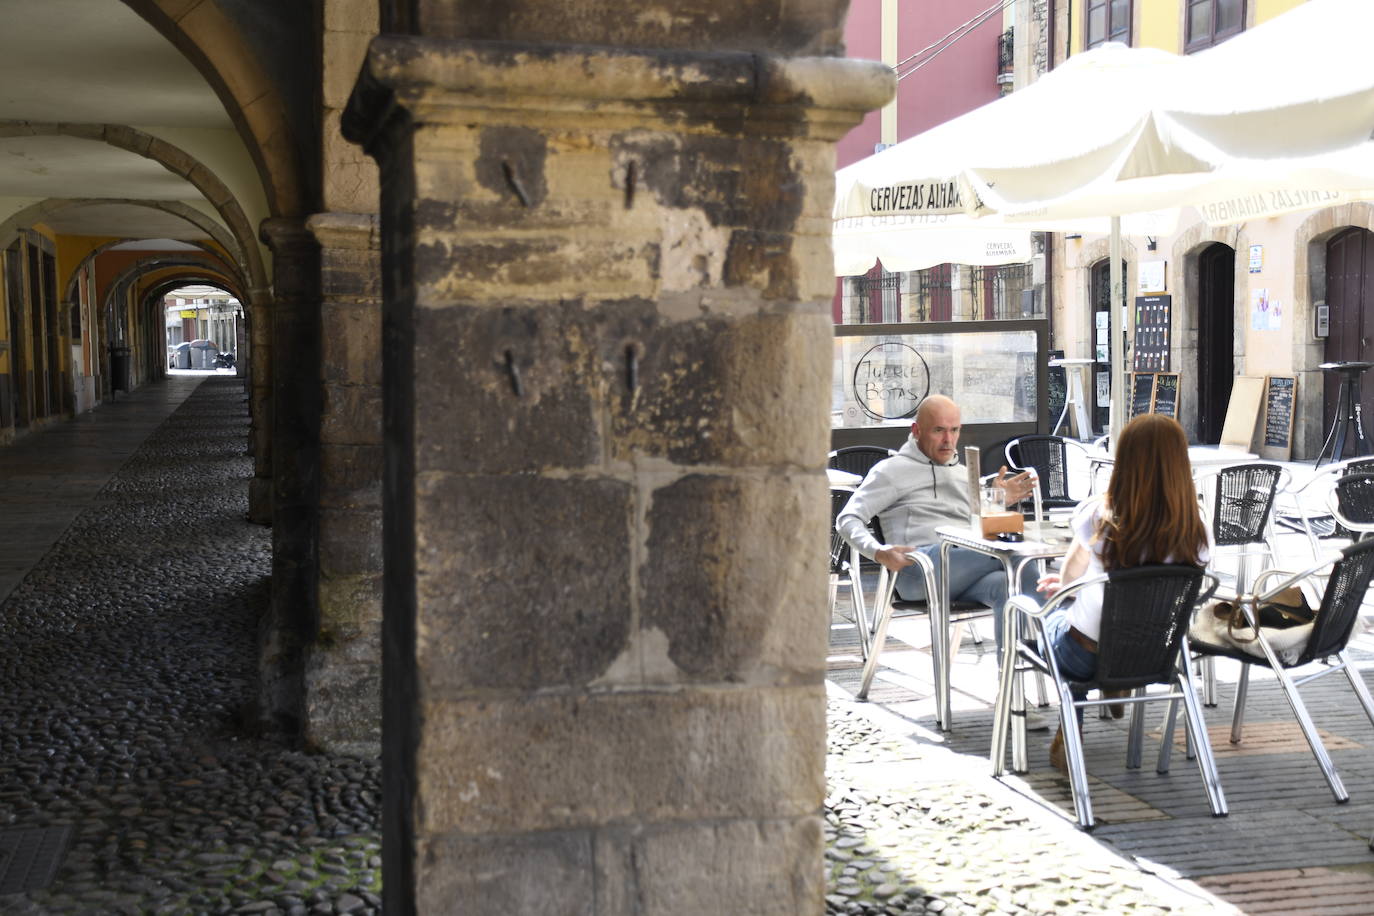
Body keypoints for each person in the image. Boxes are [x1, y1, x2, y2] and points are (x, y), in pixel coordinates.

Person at [1035, 413, 1212, 772]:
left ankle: (1074, 724)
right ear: (1181, 461)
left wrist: (1070, 587)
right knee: (1085, 624)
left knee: (1044, 617)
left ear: (1125, 460)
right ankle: (1114, 686)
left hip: (1085, 655)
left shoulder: (1099, 515)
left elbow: (1073, 572)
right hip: (1156, 658)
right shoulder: (1198, 529)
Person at [835, 394, 1038, 651]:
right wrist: (877, 552)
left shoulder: (963, 474)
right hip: (918, 567)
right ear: (916, 431)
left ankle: (1011, 682)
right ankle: (1063, 648)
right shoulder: (891, 471)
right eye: (939, 430)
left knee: (1008, 587)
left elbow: (977, 526)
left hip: (964, 564)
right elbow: (847, 519)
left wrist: (997, 502)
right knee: (1019, 553)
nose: (948, 440)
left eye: (954, 430)